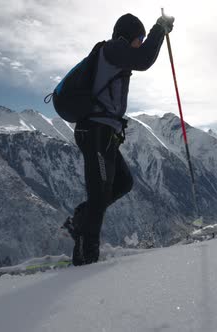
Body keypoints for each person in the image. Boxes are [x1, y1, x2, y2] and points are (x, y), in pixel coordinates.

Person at [63, 13, 175, 266]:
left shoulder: (116, 57)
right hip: (94, 132)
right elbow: (145, 59)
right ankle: (85, 256)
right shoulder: (113, 50)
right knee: (99, 192)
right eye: (140, 37)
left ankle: (81, 219)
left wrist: (157, 33)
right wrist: (159, 30)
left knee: (123, 182)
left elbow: (143, 57)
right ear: (128, 36)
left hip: (104, 133)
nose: (141, 42)